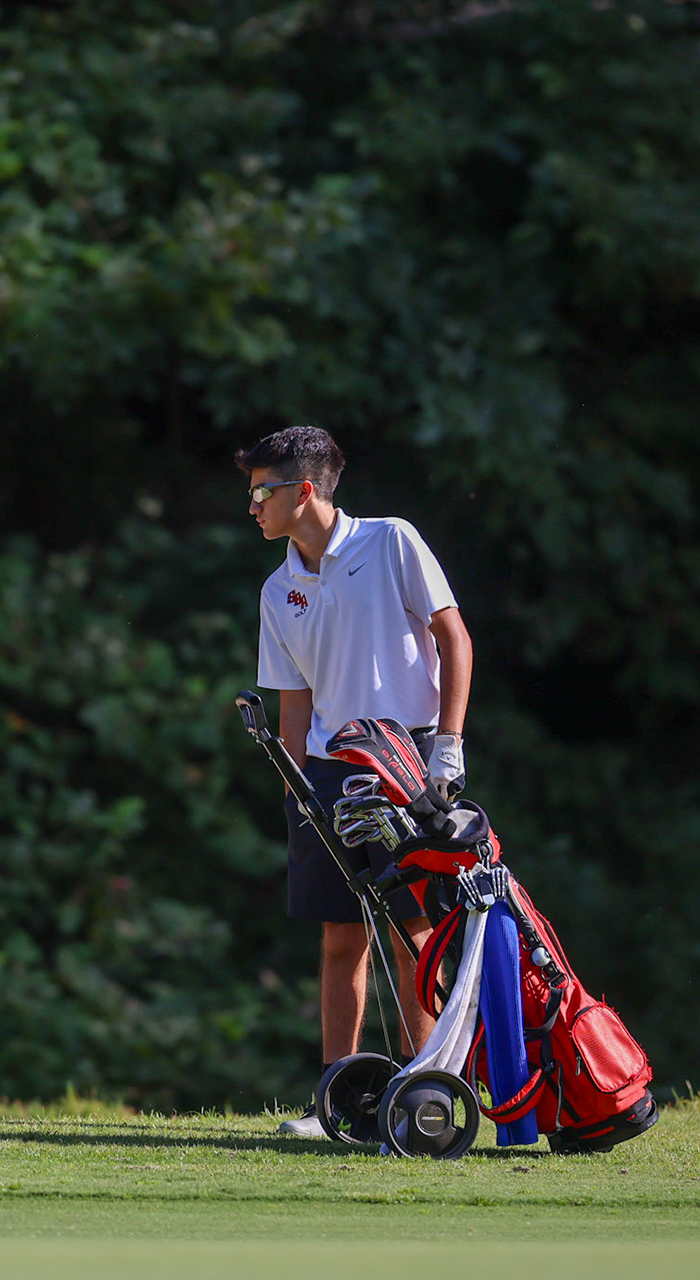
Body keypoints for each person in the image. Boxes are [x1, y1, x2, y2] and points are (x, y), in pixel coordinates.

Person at [237, 425, 473, 1138]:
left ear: (303, 490)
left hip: (409, 757)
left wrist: (450, 749)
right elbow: (295, 700)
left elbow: (452, 636)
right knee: (341, 938)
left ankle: (426, 1094)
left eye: (261, 493)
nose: (252, 506)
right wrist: (296, 785)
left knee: (414, 933)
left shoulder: (391, 541)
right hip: (331, 771)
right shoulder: (279, 589)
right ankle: (336, 1106)